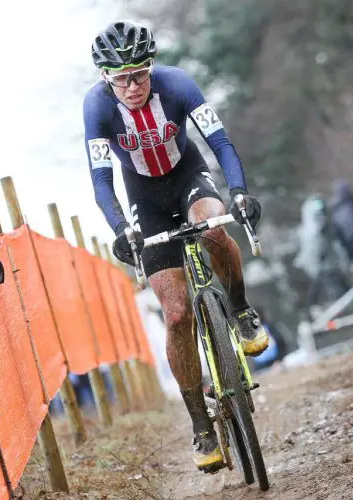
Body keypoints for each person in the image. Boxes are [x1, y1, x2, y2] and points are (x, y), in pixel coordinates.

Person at [83, 20, 266, 471]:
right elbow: (101, 180)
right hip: (144, 196)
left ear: (151, 67)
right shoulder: (96, 107)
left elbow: (220, 142)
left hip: (187, 175)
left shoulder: (178, 84)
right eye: (120, 77)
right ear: (106, 77)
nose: (132, 86)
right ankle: (201, 425)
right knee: (178, 313)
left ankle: (240, 310)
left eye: (139, 74)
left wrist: (239, 191)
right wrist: (121, 227)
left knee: (211, 226)